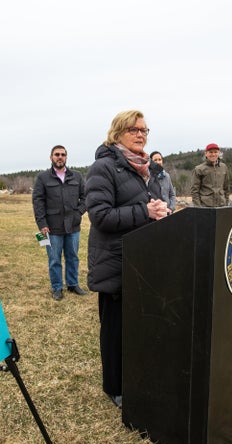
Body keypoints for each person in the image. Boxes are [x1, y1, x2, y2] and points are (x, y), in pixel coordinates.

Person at [85, 110, 169, 409]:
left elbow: (146, 206)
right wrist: (145, 212)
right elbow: (100, 216)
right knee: (115, 330)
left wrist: (159, 212)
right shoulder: (103, 168)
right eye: (134, 129)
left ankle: (137, 375)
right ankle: (115, 387)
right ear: (118, 132)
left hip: (143, 261)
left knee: (140, 326)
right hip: (115, 262)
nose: (141, 134)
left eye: (145, 130)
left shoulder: (147, 169)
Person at [32, 145, 87, 301]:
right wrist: (42, 224)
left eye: (63, 154)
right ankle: (57, 288)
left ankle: (73, 284)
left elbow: (85, 197)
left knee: (73, 257)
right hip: (52, 227)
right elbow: (38, 202)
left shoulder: (76, 176)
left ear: (66, 157)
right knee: (54, 259)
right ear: (51, 157)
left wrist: (79, 213)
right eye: (57, 154)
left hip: (73, 225)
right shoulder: (43, 178)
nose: (60, 157)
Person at [190, 143, 230, 207]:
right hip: (205, 207)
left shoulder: (224, 167)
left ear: (219, 153)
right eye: (210, 152)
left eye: (215, 152)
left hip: (221, 206)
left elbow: (226, 188)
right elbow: (194, 191)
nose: (213, 154)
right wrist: (199, 208)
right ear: (206, 153)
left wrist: (226, 203)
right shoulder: (199, 169)